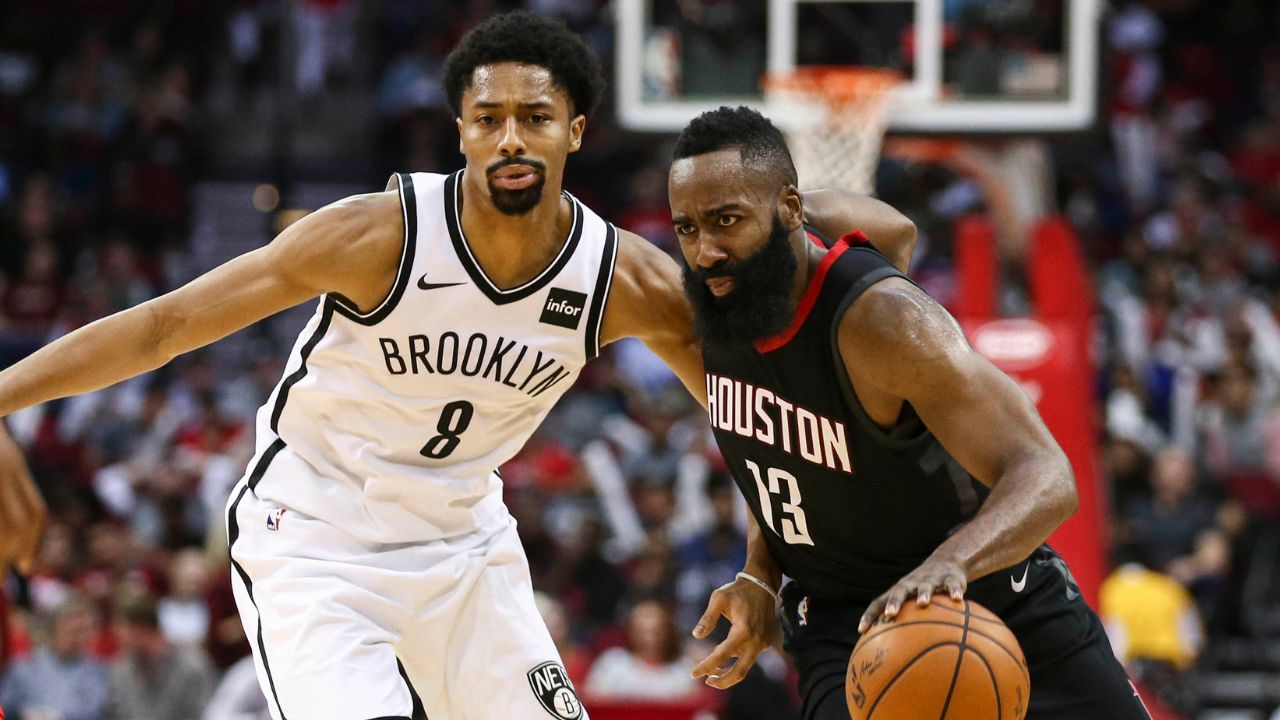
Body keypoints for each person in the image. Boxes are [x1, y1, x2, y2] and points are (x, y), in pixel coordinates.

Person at [0, 13, 918, 720]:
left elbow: (754, 428)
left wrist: (761, 570)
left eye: (535, 117)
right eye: (489, 119)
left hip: (466, 546)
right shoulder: (378, 234)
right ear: (462, 132)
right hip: (316, 537)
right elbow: (164, 326)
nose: (511, 137)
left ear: (575, 131)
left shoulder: (625, 280)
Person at [670, 106, 1151, 719]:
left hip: (995, 599)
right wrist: (760, 574)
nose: (704, 251)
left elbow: (1047, 475)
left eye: (726, 219)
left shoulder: (887, 323)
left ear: (790, 211)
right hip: (847, 629)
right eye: (686, 228)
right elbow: (776, 461)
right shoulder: (711, 308)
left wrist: (949, 565)